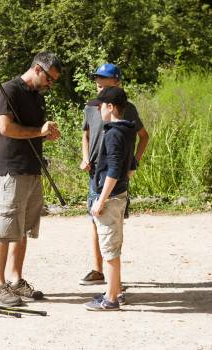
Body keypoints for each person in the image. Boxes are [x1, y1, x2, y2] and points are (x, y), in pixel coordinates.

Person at [0, 52, 62, 306]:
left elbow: (33, 132)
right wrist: (37, 131)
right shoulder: (9, 90)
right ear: (38, 69)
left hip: (32, 170)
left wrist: (45, 134)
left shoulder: (36, 97)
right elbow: (5, 128)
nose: (50, 85)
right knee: (4, 228)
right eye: (50, 79)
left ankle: (16, 280)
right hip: (11, 170)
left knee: (23, 229)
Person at [79, 64, 149, 292]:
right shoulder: (91, 107)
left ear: (116, 81)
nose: (98, 82)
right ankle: (99, 271)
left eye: (104, 79)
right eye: (97, 79)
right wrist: (85, 157)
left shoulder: (125, 108)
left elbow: (143, 137)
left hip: (113, 173)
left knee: (111, 220)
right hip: (96, 172)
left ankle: (113, 285)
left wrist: (133, 162)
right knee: (95, 219)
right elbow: (86, 135)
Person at [83, 86, 137, 311]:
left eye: (101, 107)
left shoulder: (113, 133)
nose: (98, 111)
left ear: (110, 107)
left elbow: (114, 170)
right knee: (111, 247)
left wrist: (101, 200)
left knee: (110, 251)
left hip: (111, 198)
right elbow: (130, 165)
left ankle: (112, 299)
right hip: (119, 194)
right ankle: (112, 291)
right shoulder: (126, 130)